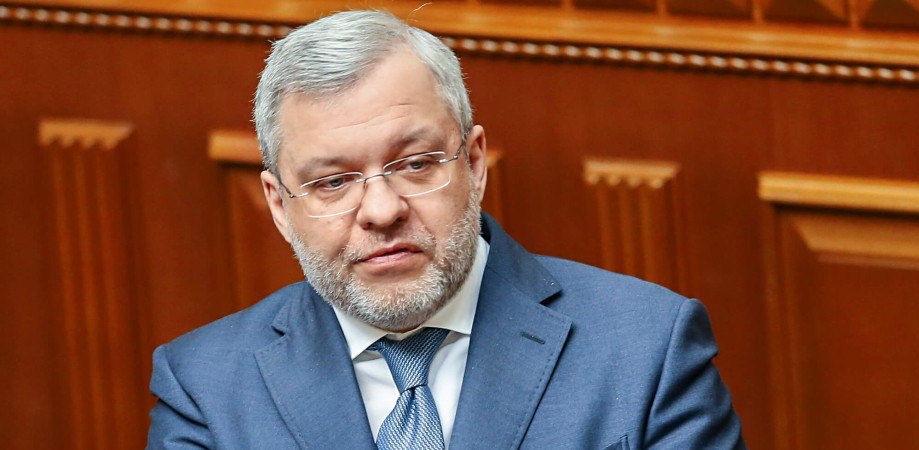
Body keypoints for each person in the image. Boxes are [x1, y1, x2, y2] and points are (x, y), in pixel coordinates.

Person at [147, 10, 745, 449]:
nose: (382, 210)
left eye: (415, 164)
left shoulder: (647, 350)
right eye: (333, 182)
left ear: (474, 164)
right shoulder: (204, 389)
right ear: (279, 205)